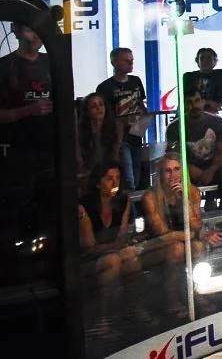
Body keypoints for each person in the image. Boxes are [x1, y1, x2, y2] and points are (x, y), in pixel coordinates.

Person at [164, 89, 222, 210]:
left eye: (197, 101)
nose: (194, 105)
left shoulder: (219, 123)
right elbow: (173, 157)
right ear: (183, 105)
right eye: (189, 102)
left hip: (213, 167)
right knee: (173, 176)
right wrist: (189, 168)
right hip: (186, 169)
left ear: (203, 102)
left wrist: (211, 170)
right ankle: (185, 214)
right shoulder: (174, 127)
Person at [0, 22, 54, 163]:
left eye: (40, 30)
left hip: (52, 148)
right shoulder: (4, 66)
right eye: (30, 30)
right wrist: (27, 110)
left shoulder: (53, 62)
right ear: (16, 31)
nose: (37, 35)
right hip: (16, 149)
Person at [96, 48, 149, 191]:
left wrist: (145, 120)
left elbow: (141, 104)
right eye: (126, 60)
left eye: (131, 59)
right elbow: (104, 114)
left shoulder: (136, 81)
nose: (130, 62)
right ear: (114, 62)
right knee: (128, 176)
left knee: (136, 174)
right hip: (118, 137)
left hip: (136, 133)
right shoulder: (105, 87)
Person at [78, 161, 138, 285]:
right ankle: (104, 297)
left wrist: (120, 245)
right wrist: (116, 246)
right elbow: (89, 248)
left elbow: (122, 236)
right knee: (113, 260)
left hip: (113, 250)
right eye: (109, 179)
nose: (115, 183)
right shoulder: (85, 206)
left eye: (118, 178)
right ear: (98, 184)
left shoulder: (123, 200)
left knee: (132, 257)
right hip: (89, 258)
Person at [76, 93, 120, 193]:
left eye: (101, 104)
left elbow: (116, 156)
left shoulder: (115, 128)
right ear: (87, 111)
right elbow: (80, 161)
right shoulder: (81, 133)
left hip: (111, 176)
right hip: (89, 178)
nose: (99, 109)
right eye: (94, 106)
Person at [182, 47, 222, 114]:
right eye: (202, 58)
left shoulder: (221, 75)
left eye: (209, 58)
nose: (205, 61)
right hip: (191, 113)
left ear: (215, 61)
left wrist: (209, 104)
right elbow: (185, 101)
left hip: (211, 114)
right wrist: (207, 102)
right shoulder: (188, 77)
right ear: (197, 61)